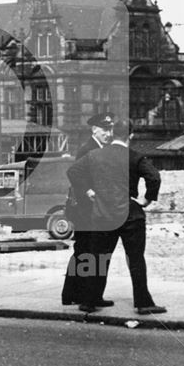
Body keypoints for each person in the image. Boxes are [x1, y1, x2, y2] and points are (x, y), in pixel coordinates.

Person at [67, 118, 166, 315]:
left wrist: (88, 191)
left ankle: (90, 300)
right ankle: (143, 303)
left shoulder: (95, 155)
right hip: (130, 213)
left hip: (103, 214)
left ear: (112, 133)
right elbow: (154, 177)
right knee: (135, 258)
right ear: (131, 135)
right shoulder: (135, 157)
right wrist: (146, 200)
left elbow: (73, 171)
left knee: (98, 257)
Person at [61, 113, 114, 306]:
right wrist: (89, 191)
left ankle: (76, 295)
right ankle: (82, 295)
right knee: (86, 251)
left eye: (110, 129)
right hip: (85, 210)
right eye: (105, 129)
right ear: (94, 130)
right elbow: (75, 174)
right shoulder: (88, 149)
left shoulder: (101, 148)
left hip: (92, 210)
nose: (109, 133)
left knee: (85, 251)